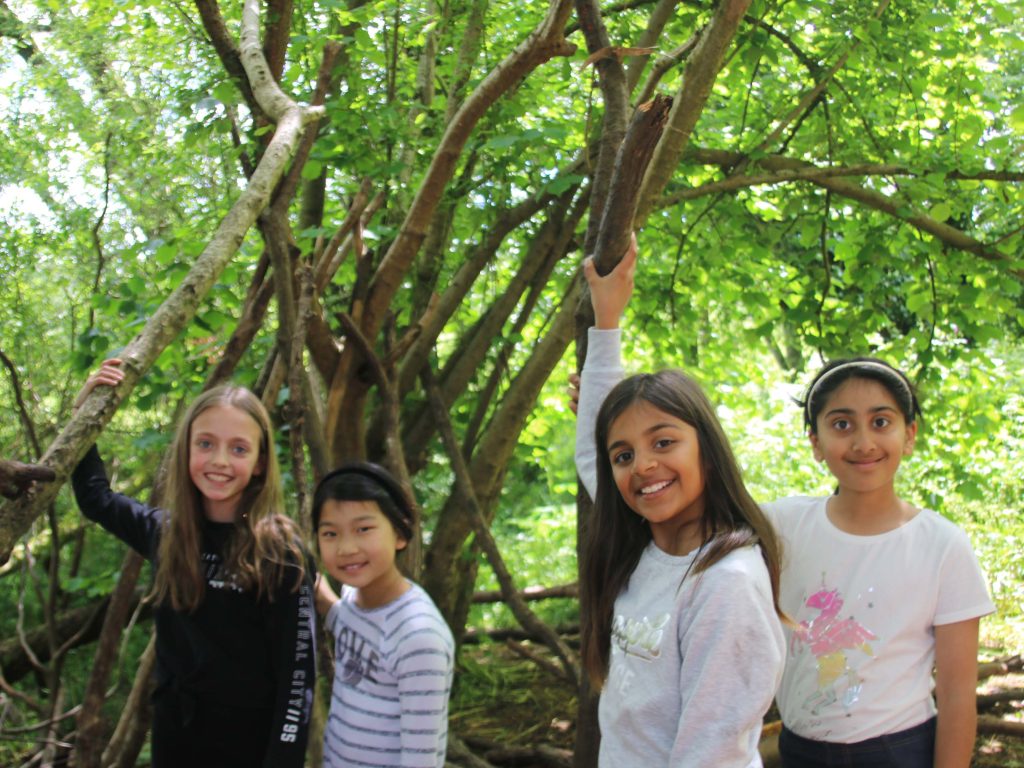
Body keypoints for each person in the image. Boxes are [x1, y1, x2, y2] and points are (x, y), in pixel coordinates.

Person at [573, 241, 995, 768]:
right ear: (815, 443)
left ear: (910, 434)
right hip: (801, 746)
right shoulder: (781, 526)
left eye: (880, 422)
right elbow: (619, 474)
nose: (863, 442)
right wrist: (605, 353)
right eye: (842, 424)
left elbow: (957, 693)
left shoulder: (940, 545)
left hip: (895, 749)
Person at [575, 239, 787, 767]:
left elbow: (710, 752)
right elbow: (591, 454)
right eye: (625, 456)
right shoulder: (644, 546)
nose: (643, 465)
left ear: (708, 453)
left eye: (664, 443)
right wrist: (607, 323)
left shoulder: (725, 585)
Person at [71, 358, 316, 768]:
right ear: (186, 450)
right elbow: (96, 498)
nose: (220, 460)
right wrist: (83, 414)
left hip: (248, 746)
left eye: (238, 448)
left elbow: (297, 678)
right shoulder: (166, 533)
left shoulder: (280, 552)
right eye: (205, 444)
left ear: (259, 462)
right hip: (175, 734)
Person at [312, 462, 455, 768]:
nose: (347, 547)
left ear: (400, 533)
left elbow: (422, 759)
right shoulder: (354, 599)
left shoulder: (420, 637)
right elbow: (354, 627)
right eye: (330, 533)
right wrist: (324, 600)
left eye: (363, 529)